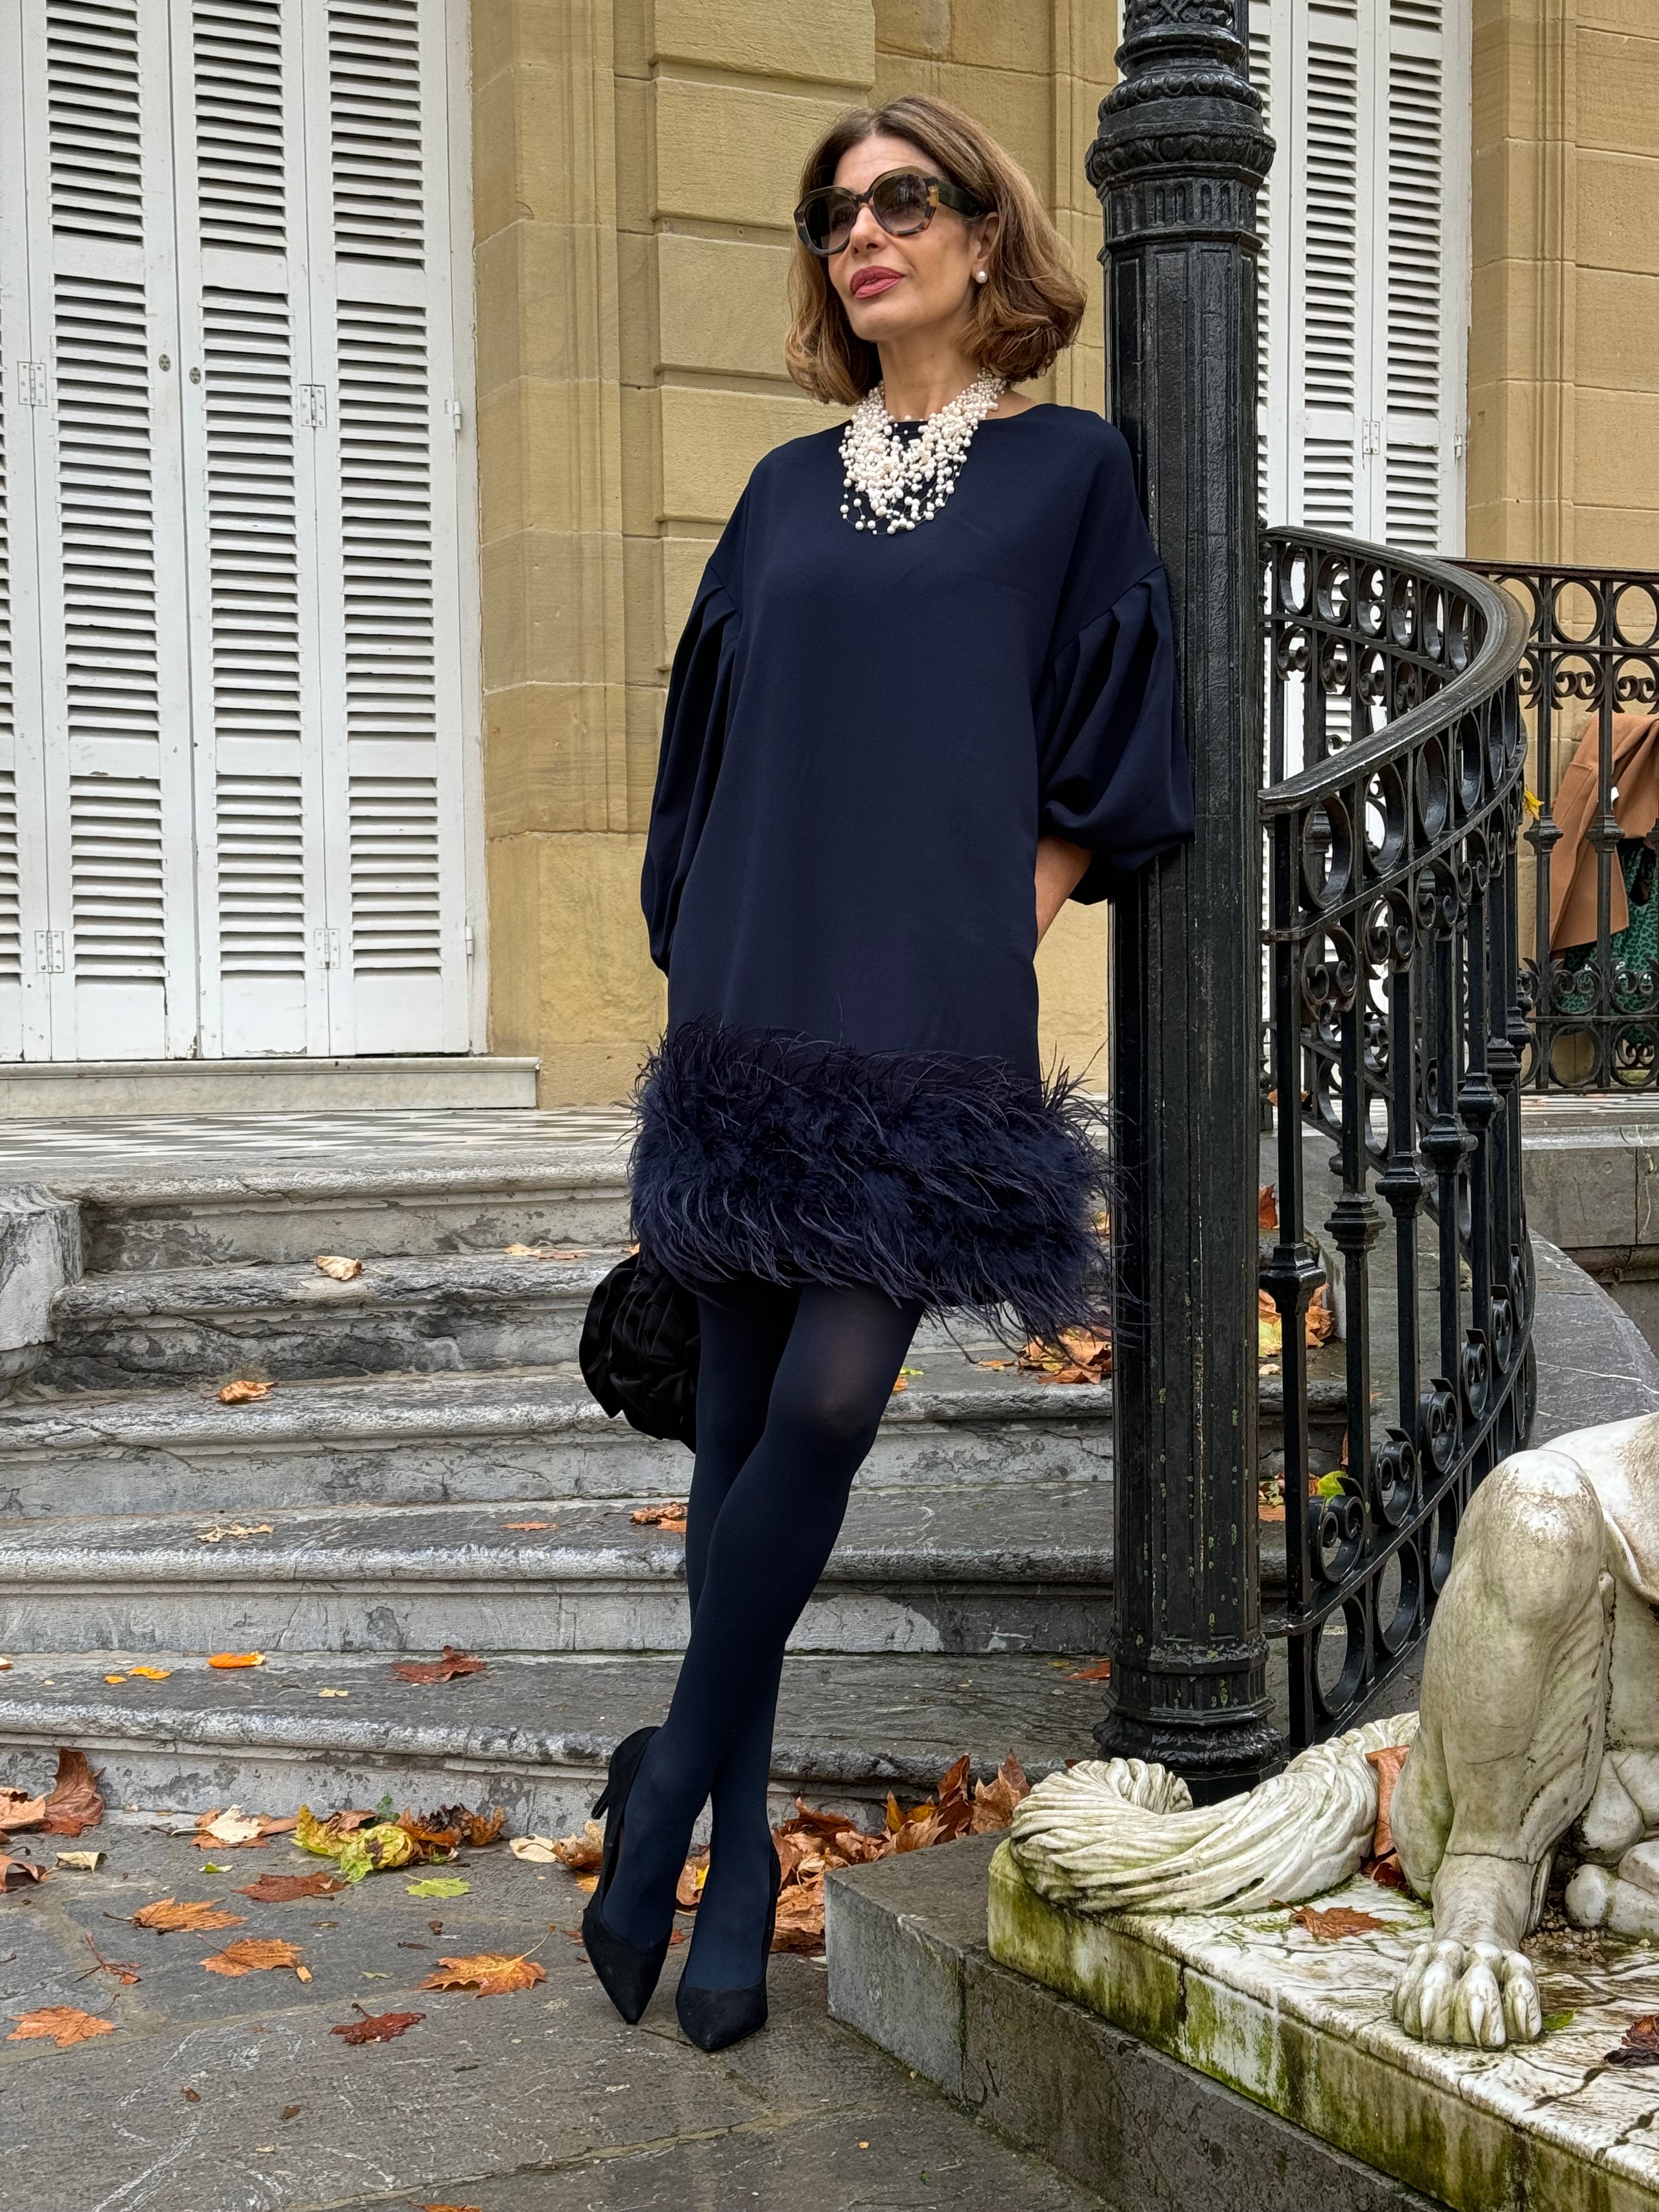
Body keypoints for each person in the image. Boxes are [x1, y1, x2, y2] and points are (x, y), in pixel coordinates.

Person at [580, 91, 1195, 2053]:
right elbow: (704, 755)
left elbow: (1111, 714)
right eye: (832, 213)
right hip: (754, 982)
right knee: (739, 1423)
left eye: (901, 199)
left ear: (984, 230)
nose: (863, 234)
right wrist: (700, 945)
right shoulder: (779, 490)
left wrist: (1008, 908)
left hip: (926, 996)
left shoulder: (1071, 470)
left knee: (832, 1400)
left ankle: (663, 1794)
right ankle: (735, 1860)